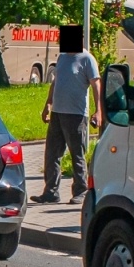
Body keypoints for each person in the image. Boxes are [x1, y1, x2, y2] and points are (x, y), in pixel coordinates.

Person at [33, 24, 101, 204]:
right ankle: (51, 192)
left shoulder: (87, 59)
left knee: (77, 153)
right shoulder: (62, 57)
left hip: (76, 115)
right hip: (57, 112)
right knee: (52, 154)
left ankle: (81, 191)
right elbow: (56, 82)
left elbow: (96, 85)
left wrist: (98, 111)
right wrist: (48, 103)